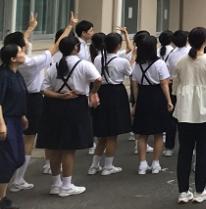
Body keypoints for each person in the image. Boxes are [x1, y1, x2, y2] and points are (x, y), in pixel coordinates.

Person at [4, 13, 72, 193]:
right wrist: (69, 27)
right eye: (23, 45)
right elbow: (56, 46)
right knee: (28, 140)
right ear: (19, 50)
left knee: (14, 138)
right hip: (32, 100)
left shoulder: (9, 60)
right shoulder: (31, 63)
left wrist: (30, 28)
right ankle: (18, 179)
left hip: (15, 99)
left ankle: (11, 177)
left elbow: (22, 41)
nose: (27, 44)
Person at [37, 36, 101, 198]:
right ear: (76, 48)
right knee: (69, 147)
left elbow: (44, 89)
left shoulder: (54, 66)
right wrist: (93, 92)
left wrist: (60, 96)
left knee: (54, 146)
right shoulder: (84, 64)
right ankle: (66, 185)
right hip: (75, 106)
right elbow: (98, 79)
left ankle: (55, 184)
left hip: (53, 107)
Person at [172, 27, 206, 204]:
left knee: (185, 152)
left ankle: (183, 191)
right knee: (203, 151)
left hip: (184, 112)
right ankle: (200, 191)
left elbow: (175, 88)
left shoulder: (181, 62)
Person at [89, 29, 133, 176]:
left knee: (102, 132)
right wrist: (133, 59)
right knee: (112, 133)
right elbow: (130, 73)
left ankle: (94, 165)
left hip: (101, 91)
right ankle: (108, 166)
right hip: (116, 93)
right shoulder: (122, 61)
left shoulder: (97, 59)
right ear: (119, 45)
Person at [130, 35, 173, 175]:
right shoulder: (160, 64)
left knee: (142, 134)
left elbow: (135, 85)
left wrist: (136, 102)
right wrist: (169, 101)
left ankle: (142, 164)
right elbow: (164, 84)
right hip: (157, 97)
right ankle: (155, 163)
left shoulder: (137, 64)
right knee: (158, 133)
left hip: (143, 96)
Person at [0, 44, 28, 209]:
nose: (24, 53)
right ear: (12, 58)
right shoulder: (3, 76)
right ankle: (1, 198)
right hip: (6, 120)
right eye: (21, 52)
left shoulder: (16, 74)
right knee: (8, 159)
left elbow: (18, 97)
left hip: (16, 119)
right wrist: (1, 124)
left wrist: (22, 115)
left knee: (18, 158)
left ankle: (2, 197)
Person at [163, 30, 189, 157]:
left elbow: (167, 72)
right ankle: (187, 146)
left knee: (171, 118)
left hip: (173, 86)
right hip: (188, 88)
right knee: (187, 118)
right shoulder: (191, 52)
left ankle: (169, 147)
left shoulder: (171, 54)